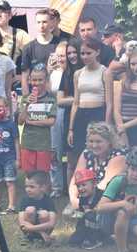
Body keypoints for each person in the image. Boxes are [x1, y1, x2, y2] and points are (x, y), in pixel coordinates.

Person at [68, 38, 113, 164]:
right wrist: (71, 129)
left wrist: (107, 125)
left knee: (98, 152)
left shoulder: (105, 72)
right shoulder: (78, 73)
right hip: (81, 114)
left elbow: (109, 103)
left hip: (98, 113)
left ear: (97, 52)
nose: (85, 56)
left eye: (88, 53)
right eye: (82, 53)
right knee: (80, 151)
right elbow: (75, 102)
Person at [68, 122, 126, 210]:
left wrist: (87, 203)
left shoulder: (118, 156)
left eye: (99, 141)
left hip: (109, 198)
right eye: (91, 141)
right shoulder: (86, 153)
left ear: (109, 142)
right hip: (89, 195)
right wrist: (73, 199)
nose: (94, 145)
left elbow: (106, 184)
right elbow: (76, 178)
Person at [18, 65, 57, 173]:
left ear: (46, 80)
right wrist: (27, 105)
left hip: (43, 145)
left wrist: (31, 122)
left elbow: (51, 121)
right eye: (34, 80)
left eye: (40, 80)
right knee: (29, 175)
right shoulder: (25, 98)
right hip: (27, 143)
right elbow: (20, 121)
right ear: (29, 80)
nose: (37, 83)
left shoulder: (51, 99)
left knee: (43, 175)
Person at [57, 38, 83, 185]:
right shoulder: (66, 74)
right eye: (69, 53)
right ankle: (71, 192)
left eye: (75, 52)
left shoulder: (86, 72)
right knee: (71, 160)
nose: (72, 56)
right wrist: (79, 99)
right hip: (70, 118)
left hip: (87, 116)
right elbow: (60, 100)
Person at [0, 96, 20, 214]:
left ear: (7, 108)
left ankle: (11, 206)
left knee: (10, 182)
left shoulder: (11, 124)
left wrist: (18, 159)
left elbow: (16, 141)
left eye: (0, 109)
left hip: (9, 158)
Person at [20, 9, 57, 95]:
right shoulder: (28, 48)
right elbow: (24, 77)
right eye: (38, 22)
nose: (41, 25)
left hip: (56, 94)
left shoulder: (60, 45)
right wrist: (26, 99)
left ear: (51, 23)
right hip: (36, 95)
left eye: (44, 22)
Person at [48, 41, 68, 197]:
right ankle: (56, 186)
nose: (62, 58)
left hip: (71, 112)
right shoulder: (54, 73)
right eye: (60, 55)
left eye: (65, 55)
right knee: (55, 150)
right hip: (56, 112)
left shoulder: (75, 71)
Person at [68, 169, 105, 249]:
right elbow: (81, 215)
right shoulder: (83, 198)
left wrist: (92, 211)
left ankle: (96, 240)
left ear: (94, 184)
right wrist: (74, 214)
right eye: (78, 186)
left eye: (84, 185)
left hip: (102, 225)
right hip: (87, 225)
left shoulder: (102, 195)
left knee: (90, 215)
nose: (80, 188)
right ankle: (85, 237)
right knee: (73, 240)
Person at [18, 171, 57, 244]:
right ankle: (30, 236)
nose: (28, 189)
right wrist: (40, 232)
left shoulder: (48, 200)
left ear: (43, 187)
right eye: (26, 186)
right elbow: (21, 223)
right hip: (30, 231)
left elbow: (52, 223)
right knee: (30, 210)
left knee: (44, 214)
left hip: (41, 230)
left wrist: (31, 228)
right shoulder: (24, 200)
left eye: (32, 187)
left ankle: (42, 238)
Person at [0, 0, 30, 66]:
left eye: (3, 12)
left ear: (10, 16)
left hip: (9, 73)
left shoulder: (20, 34)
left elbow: (32, 51)